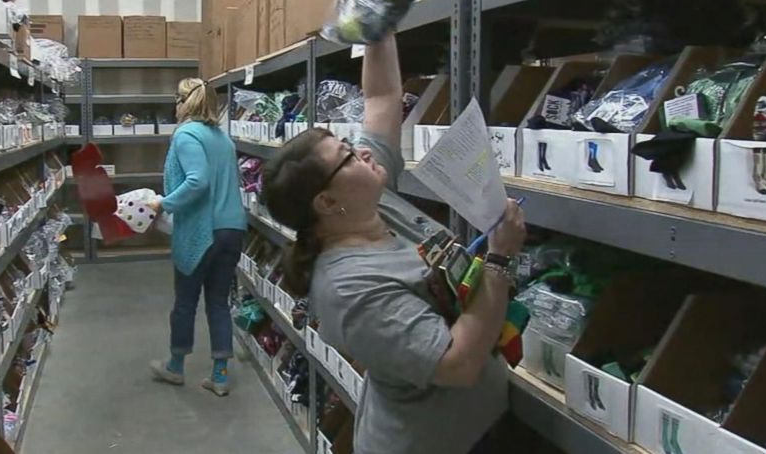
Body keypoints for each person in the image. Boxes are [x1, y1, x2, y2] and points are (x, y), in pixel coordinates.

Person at [260, 35, 526, 454]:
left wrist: (379, 28)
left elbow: (382, 97)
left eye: (349, 145)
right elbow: (457, 363)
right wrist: (499, 260)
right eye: (347, 157)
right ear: (327, 203)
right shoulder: (351, 289)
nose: (362, 154)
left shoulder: (372, 202)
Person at [147, 77, 247, 397]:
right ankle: (219, 376)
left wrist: (163, 203)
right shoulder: (223, 138)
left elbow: (197, 181)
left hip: (203, 231)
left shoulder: (187, 134)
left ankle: (175, 367)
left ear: (182, 102)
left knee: (186, 302)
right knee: (218, 302)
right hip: (233, 230)